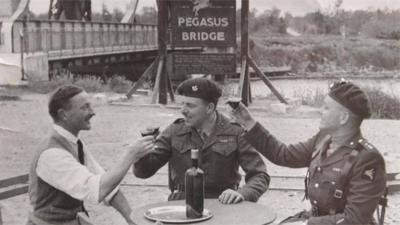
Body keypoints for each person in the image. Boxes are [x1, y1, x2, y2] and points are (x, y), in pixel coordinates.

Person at [230, 79, 387, 224]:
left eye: (326, 107)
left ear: (343, 118)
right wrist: (249, 122)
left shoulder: (368, 159)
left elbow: (354, 219)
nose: (320, 111)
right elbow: (284, 155)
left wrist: (307, 223)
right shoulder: (322, 139)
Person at [27, 84, 155, 225]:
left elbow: (109, 188)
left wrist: (132, 220)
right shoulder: (52, 154)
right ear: (63, 114)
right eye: (84, 107)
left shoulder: (75, 143)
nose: (92, 112)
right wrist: (130, 155)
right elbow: (98, 191)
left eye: (90, 106)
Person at [133, 78, 270, 204]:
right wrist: (143, 151)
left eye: (190, 106)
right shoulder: (174, 131)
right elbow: (143, 172)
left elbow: (259, 175)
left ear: (209, 108)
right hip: (182, 202)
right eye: (182, 104)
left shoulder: (235, 132)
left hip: (223, 204)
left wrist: (242, 194)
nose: (183, 111)